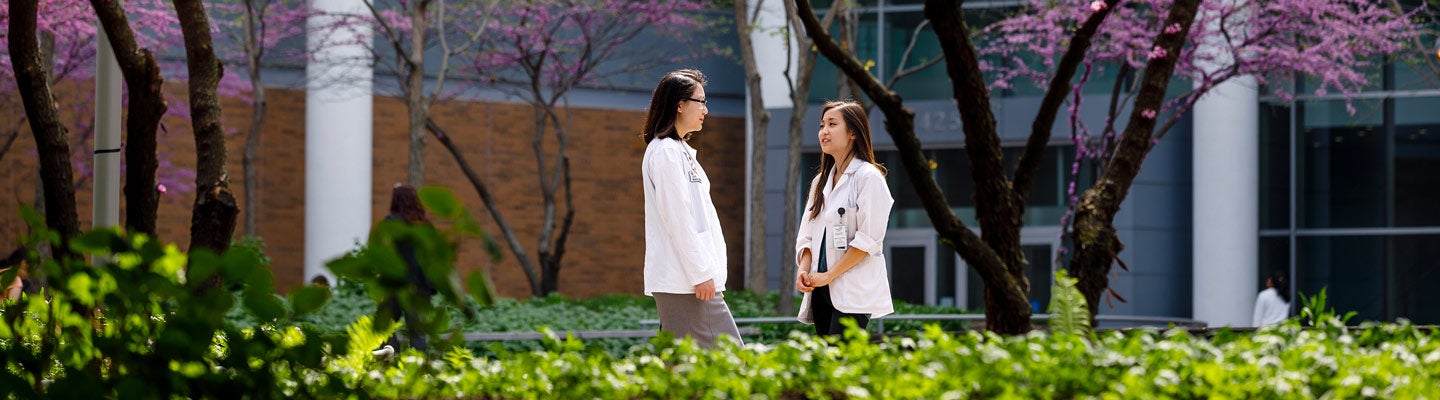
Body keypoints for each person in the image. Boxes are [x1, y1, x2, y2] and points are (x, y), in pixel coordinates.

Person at [640, 69, 742, 348]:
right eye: (701, 102)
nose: (706, 110)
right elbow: (678, 219)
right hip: (685, 283)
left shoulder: (679, 151)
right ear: (680, 105)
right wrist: (700, 274)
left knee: (684, 368)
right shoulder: (665, 153)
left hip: (690, 281)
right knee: (733, 358)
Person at [794, 100, 895, 336]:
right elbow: (806, 234)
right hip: (820, 289)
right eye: (821, 125)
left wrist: (828, 275)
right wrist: (804, 270)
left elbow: (868, 240)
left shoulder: (869, 178)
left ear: (852, 133)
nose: (824, 131)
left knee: (842, 361)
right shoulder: (821, 181)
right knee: (827, 365)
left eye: (832, 124)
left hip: (852, 290)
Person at [378, 183, 438, 351]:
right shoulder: (425, 225)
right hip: (420, 287)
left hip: (396, 285)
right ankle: (418, 368)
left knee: (385, 327)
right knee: (418, 333)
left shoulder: (391, 223)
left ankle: (391, 356)